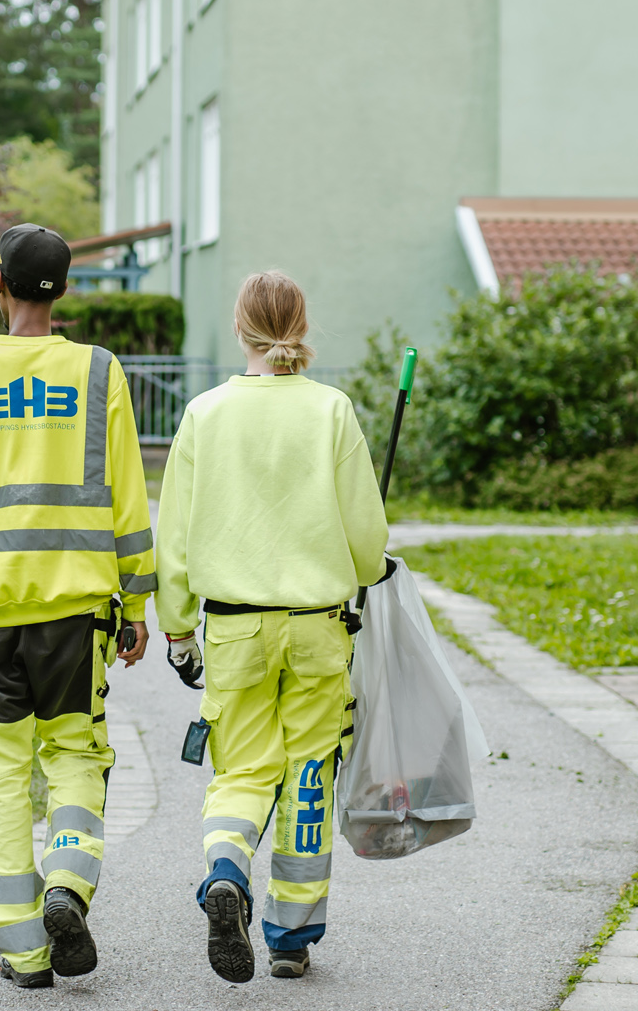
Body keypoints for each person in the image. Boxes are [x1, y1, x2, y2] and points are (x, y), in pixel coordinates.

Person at [0, 223, 155, 989]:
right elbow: (127, 493)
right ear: (64, 291)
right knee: (76, 758)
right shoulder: (99, 372)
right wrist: (137, 599)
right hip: (76, 616)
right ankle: (67, 888)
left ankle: (24, 953)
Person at [155, 270, 389, 983]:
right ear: (300, 323)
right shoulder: (331, 410)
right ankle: (291, 933)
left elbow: (176, 537)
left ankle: (226, 868)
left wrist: (176, 630)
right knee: (309, 773)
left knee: (242, 770)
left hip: (234, 629)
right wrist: (366, 568)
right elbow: (366, 539)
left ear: (239, 327)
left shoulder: (205, 413)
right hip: (318, 627)